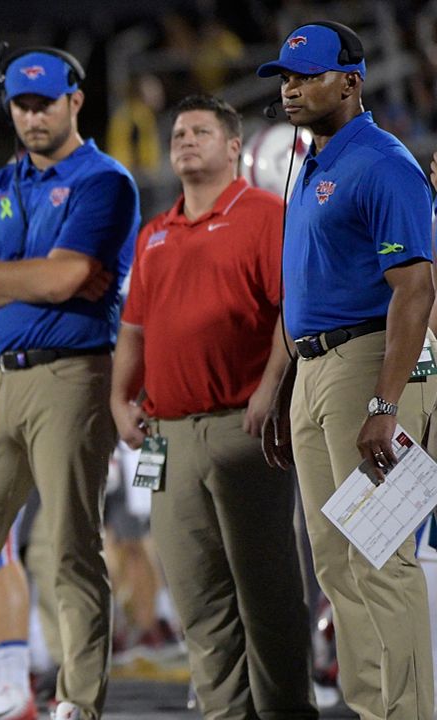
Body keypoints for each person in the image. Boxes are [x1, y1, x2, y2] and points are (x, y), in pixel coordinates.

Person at [0, 46, 139, 720]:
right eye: (21, 102)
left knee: (67, 547)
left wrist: (2, 277)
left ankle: (77, 701)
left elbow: (62, 279)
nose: (32, 114)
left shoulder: (106, 182)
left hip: (72, 375)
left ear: (75, 100)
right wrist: (33, 278)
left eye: (44, 101)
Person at [110, 94, 315, 718]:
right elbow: (135, 329)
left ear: (234, 148)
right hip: (167, 435)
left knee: (266, 592)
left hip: (240, 427)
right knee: (197, 596)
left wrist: (268, 390)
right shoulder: (155, 233)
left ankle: (285, 710)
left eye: (201, 131)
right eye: (177, 133)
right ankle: (227, 710)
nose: (184, 140)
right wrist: (119, 398)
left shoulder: (264, 215)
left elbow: (292, 311)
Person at [259, 22, 436, 720]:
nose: (290, 88)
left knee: (383, 559)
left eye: (306, 76)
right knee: (335, 563)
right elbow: (304, 287)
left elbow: (416, 288)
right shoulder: (315, 159)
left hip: (371, 361)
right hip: (315, 371)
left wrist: (385, 403)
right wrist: (284, 384)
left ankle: (412, 712)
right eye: (285, 75)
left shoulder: (382, 161)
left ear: (351, 82)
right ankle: (373, 709)